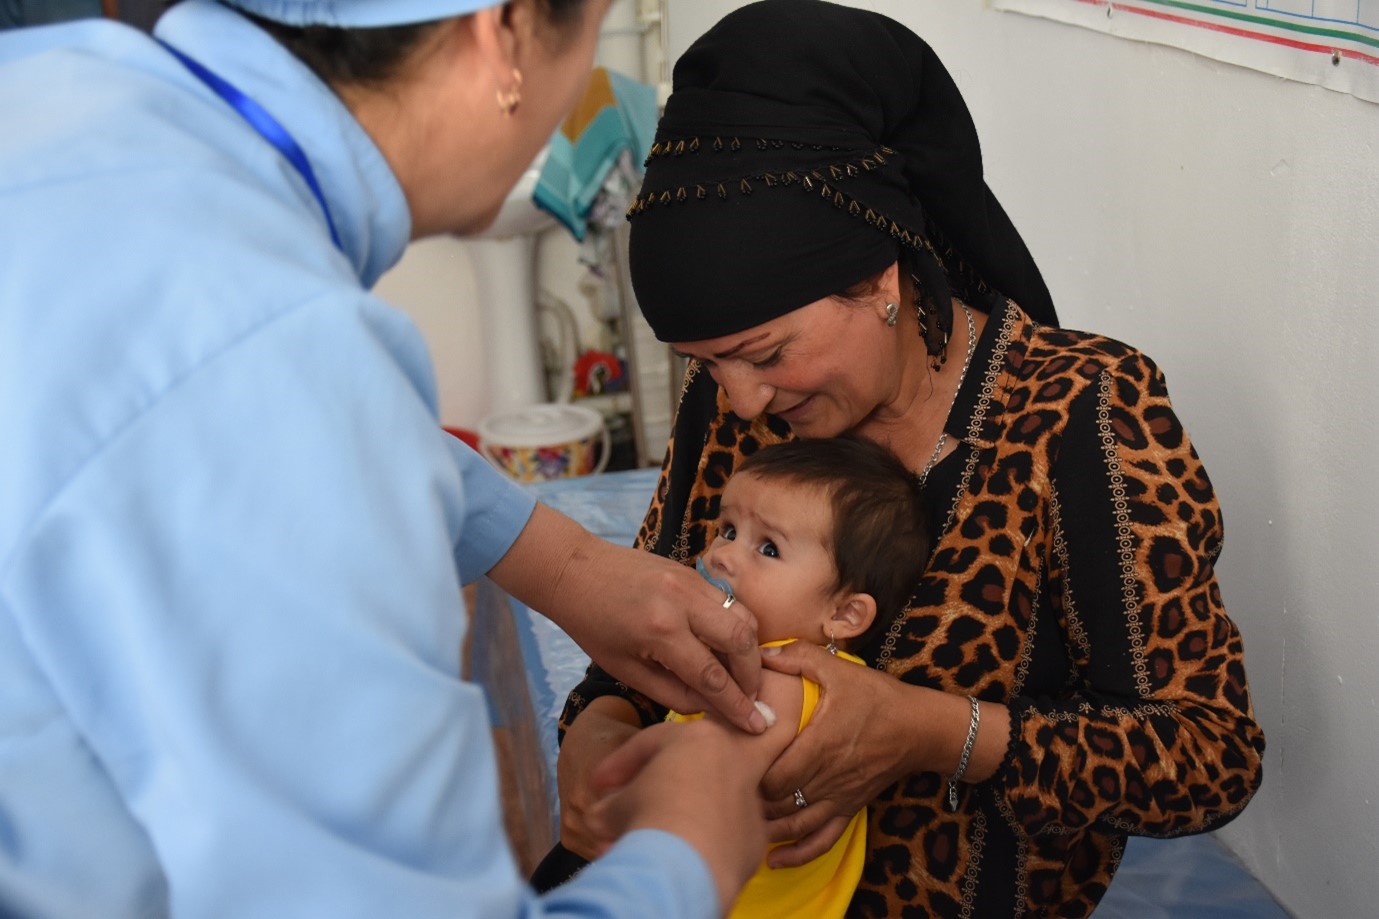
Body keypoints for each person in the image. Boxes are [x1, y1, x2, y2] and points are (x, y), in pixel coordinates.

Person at [0, 2, 778, 917]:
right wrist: (686, 852)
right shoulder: (285, 363)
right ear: (508, 29)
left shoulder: (62, 90)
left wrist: (564, 565)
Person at [554, 2, 1268, 916]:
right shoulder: (732, 407)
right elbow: (642, 640)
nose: (739, 400)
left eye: (768, 354)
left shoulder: (1079, 414)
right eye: (705, 364)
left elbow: (1208, 756)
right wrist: (596, 737)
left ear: (879, 278)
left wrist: (934, 731)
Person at [536, 436, 931, 918]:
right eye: (726, 530)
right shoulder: (739, 657)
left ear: (845, 614)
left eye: (768, 548)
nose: (723, 555)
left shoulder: (786, 679)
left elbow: (712, 772)